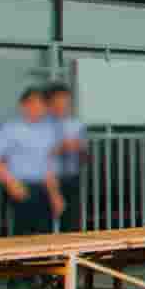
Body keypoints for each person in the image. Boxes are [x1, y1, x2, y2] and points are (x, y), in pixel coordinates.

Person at [0, 88, 64, 236]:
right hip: (18, 186)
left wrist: (55, 194)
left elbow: (49, 165)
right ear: (23, 106)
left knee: (45, 234)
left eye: (42, 106)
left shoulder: (49, 130)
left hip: (43, 188)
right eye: (34, 105)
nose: (38, 109)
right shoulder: (9, 128)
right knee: (21, 234)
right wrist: (11, 183)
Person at [44, 81, 87, 232]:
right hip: (46, 179)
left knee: (71, 224)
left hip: (71, 177)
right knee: (43, 224)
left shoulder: (76, 125)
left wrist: (81, 149)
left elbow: (85, 157)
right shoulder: (40, 125)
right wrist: (60, 148)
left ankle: (69, 254)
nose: (63, 106)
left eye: (66, 102)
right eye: (59, 102)